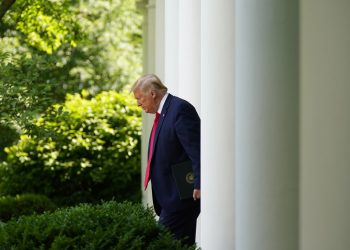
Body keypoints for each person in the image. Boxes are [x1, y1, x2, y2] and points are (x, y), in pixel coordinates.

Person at [132, 74, 201, 246]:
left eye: (140, 98)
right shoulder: (164, 113)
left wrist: (199, 183)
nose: (138, 104)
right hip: (169, 199)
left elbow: (196, 150)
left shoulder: (180, 110)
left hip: (180, 197)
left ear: (153, 94)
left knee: (160, 244)